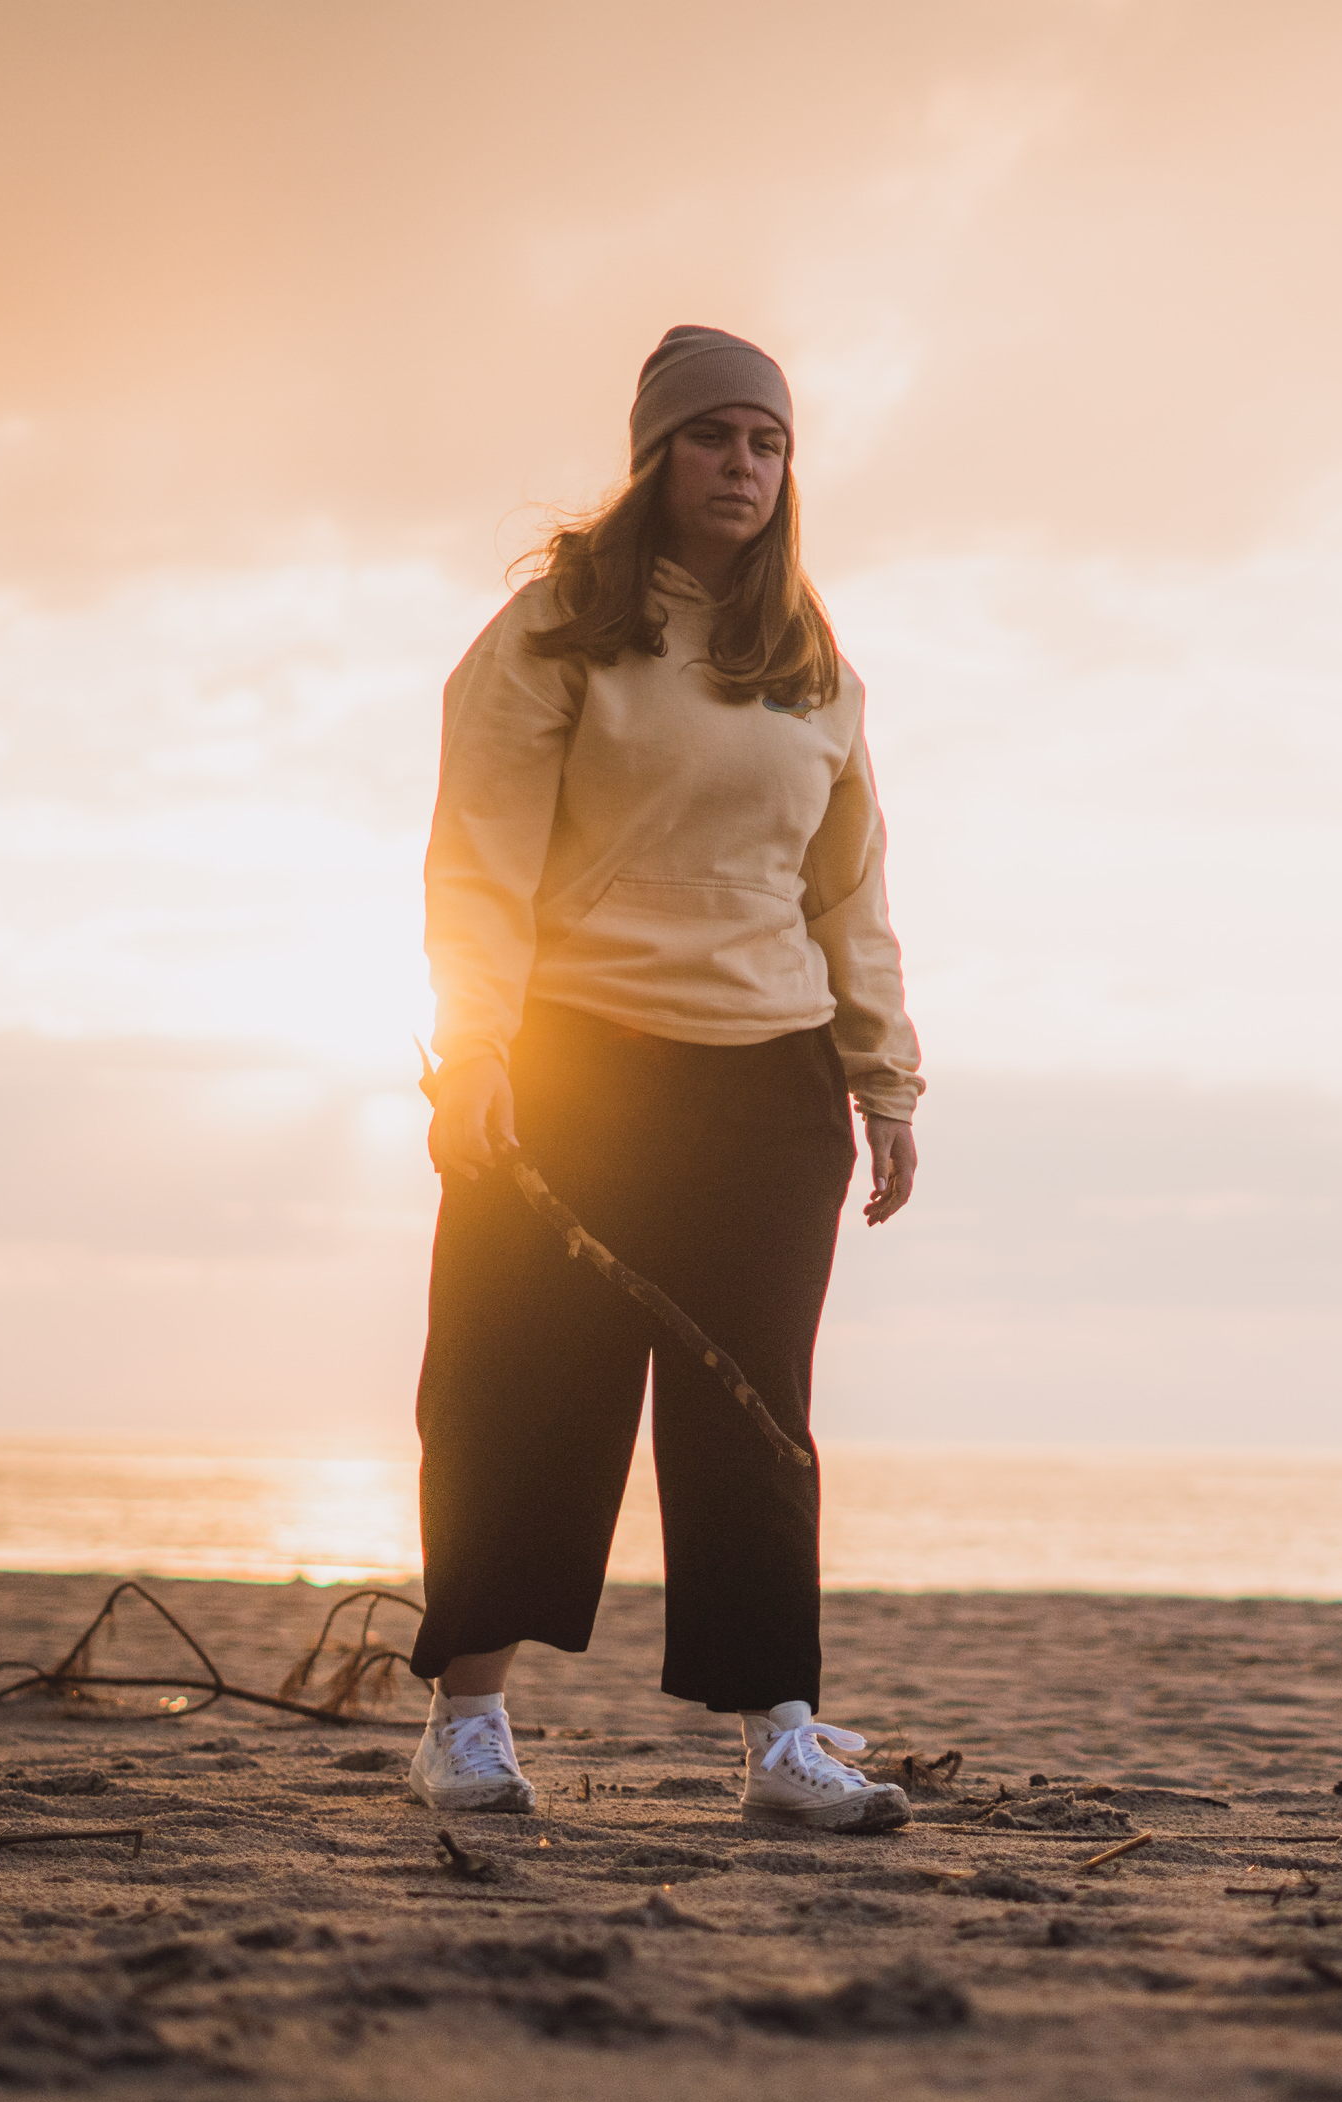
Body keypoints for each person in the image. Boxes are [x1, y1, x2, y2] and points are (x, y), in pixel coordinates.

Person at [404, 325, 922, 1831]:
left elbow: (850, 893)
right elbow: (478, 863)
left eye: (767, 442)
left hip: (770, 1079)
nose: (742, 466)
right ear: (654, 456)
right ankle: (467, 1723)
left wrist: (886, 1079)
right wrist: (474, 1051)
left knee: (756, 1419)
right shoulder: (557, 633)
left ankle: (782, 1744)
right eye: (712, 437)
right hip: (572, 1068)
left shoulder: (810, 663)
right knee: (521, 1397)